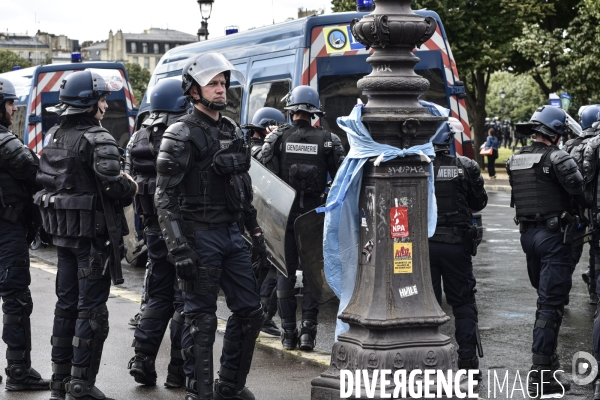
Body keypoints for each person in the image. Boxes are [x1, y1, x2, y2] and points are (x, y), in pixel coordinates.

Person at [155, 52, 265, 400]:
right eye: (213, 84)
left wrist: (257, 233)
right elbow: (164, 197)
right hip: (198, 234)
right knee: (200, 320)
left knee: (250, 311)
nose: (221, 90)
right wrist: (178, 248)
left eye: (223, 83)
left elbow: (243, 188)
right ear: (192, 90)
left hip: (232, 234)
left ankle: (230, 385)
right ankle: (198, 392)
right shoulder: (180, 133)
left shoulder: (232, 130)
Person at [35, 69, 138, 400]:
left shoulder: (56, 137)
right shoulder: (99, 138)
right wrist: (131, 184)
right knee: (91, 311)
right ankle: (81, 382)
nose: (106, 106)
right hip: (93, 241)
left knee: (65, 306)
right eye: (102, 99)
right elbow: (115, 188)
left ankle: (59, 381)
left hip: (64, 237)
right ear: (89, 103)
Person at [507, 105, 586, 396]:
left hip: (528, 236)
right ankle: (540, 377)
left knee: (546, 300)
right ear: (555, 133)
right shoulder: (558, 157)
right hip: (554, 237)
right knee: (550, 306)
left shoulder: (515, 159)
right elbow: (580, 194)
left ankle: (550, 364)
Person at [261, 85, 345, 351]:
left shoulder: (277, 138)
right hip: (314, 218)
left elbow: (264, 176)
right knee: (311, 273)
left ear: (292, 109)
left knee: (284, 272)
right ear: (313, 112)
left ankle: (288, 334)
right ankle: (308, 333)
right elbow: (342, 179)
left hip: (285, 217)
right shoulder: (330, 139)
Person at [125, 78, 189, 388]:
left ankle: (142, 359)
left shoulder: (138, 135)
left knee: (156, 297)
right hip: (183, 230)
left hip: (152, 229)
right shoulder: (183, 134)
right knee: (183, 300)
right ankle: (178, 371)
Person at [0, 77, 49, 391]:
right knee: (16, 300)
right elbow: (39, 174)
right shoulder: (6, 143)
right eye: (8, 103)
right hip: (7, 231)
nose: (13, 108)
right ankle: (18, 371)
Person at [429, 118, 488, 376]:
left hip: (424, 248)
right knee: (463, 303)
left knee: (424, 306)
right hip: (456, 245)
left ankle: (427, 360)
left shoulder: (415, 168)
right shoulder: (466, 166)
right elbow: (479, 201)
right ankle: (467, 362)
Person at [242, 106, 288, 336]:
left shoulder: (250, 147)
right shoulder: (256, 149)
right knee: (270, 266)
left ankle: (254, 314)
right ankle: (261, 315)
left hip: (253, 217)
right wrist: (273, 138)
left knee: (258, 268)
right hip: (257, 219)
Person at [563, 104, 600, 305]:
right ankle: (594, 292)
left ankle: (561, 290)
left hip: (574, 207)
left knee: (571, 248)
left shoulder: (569, 145)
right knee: (596, 248)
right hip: (595, 206)